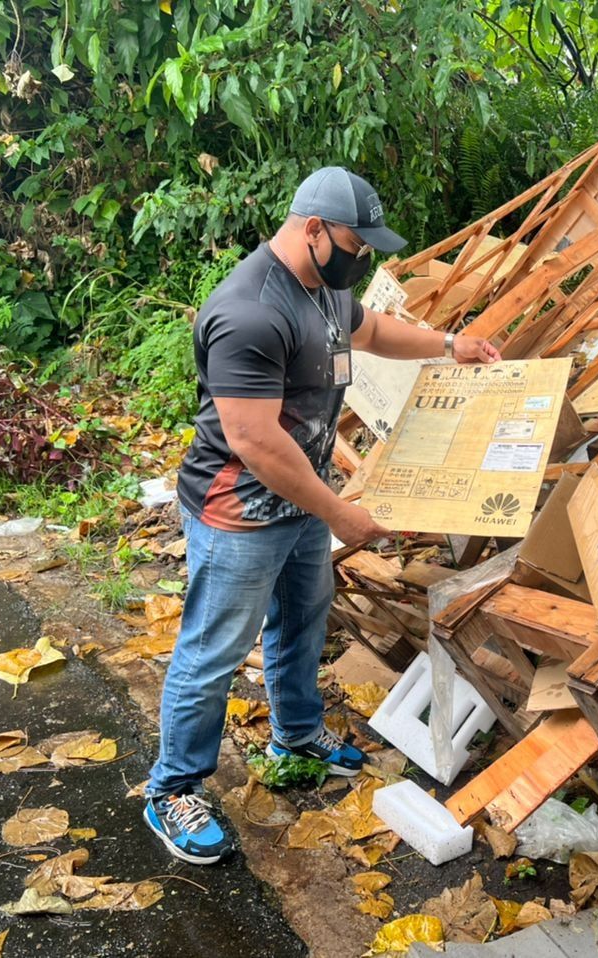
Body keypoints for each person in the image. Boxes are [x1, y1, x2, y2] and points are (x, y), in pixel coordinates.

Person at [143, 167, 501, 865]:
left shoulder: (326, 288)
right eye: (354, 244)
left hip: (299, 499)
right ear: (313, 229)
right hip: (239, 512)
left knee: (303, 619)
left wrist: (448, 344)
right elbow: (252, 439)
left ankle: (297, 736)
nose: (360, 258)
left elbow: (373, 331)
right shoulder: (249, 310)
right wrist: (339, 512)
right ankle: (173, 788)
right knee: (215, 649)